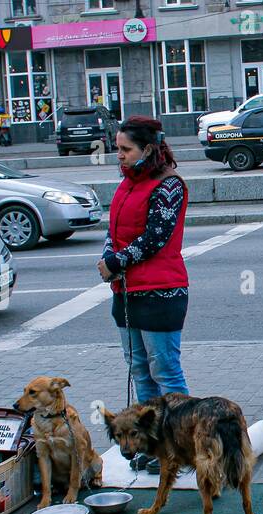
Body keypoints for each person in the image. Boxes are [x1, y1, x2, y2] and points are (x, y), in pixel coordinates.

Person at [98, 116, 191, 472]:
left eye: (125, 149)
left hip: (161, 291)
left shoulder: (168, 185)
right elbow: (115, 230)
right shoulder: (127, 184)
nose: (118, 156)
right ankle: (152, 445)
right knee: (139, 370)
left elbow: (156, 238)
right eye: (117, 148)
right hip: (127, 291)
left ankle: (179, 446)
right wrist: (111, 258)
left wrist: (116, 262)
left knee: (165, 371)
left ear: (147, 149)